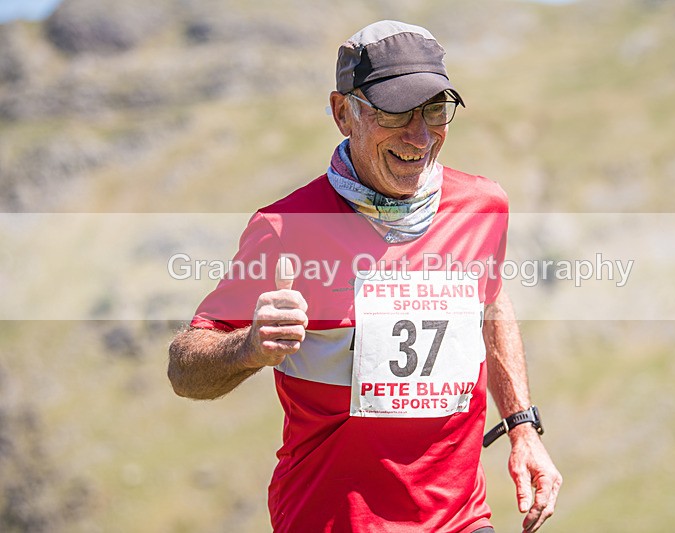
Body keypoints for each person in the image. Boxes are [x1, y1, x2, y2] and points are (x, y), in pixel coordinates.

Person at [168, 20, 561, 533]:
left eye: (436, 110)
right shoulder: (286, 228)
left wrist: (522, 428)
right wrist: (248, 348)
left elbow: (490, 301)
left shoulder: (483, 207)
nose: (419, 137)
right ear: (342, 113)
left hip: (460, 520)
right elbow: (184, 370)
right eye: (397, 112)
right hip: (329, 520)